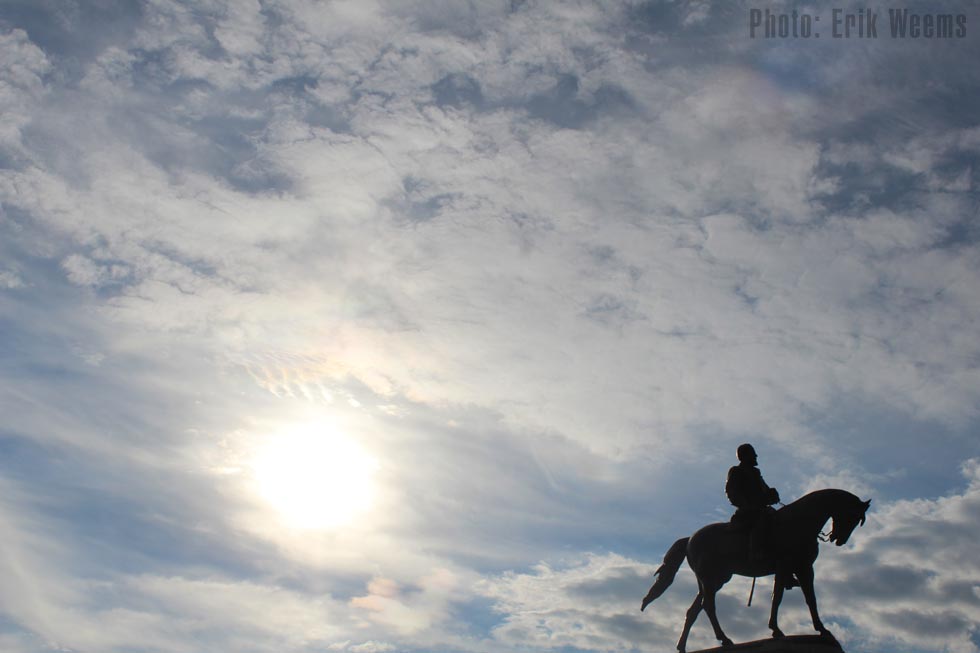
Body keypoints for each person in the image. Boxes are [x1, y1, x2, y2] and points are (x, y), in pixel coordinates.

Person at [726, 443, 780, 561]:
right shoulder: (736, 471)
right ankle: (755, 551)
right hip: (748, 511)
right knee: (762, 520)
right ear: (744, 456)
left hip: (761, 509)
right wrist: (747, 506)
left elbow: (764, 490)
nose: (756, 456)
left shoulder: (756, 473)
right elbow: (732, 492)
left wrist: (772, 495)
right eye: (752, 454)